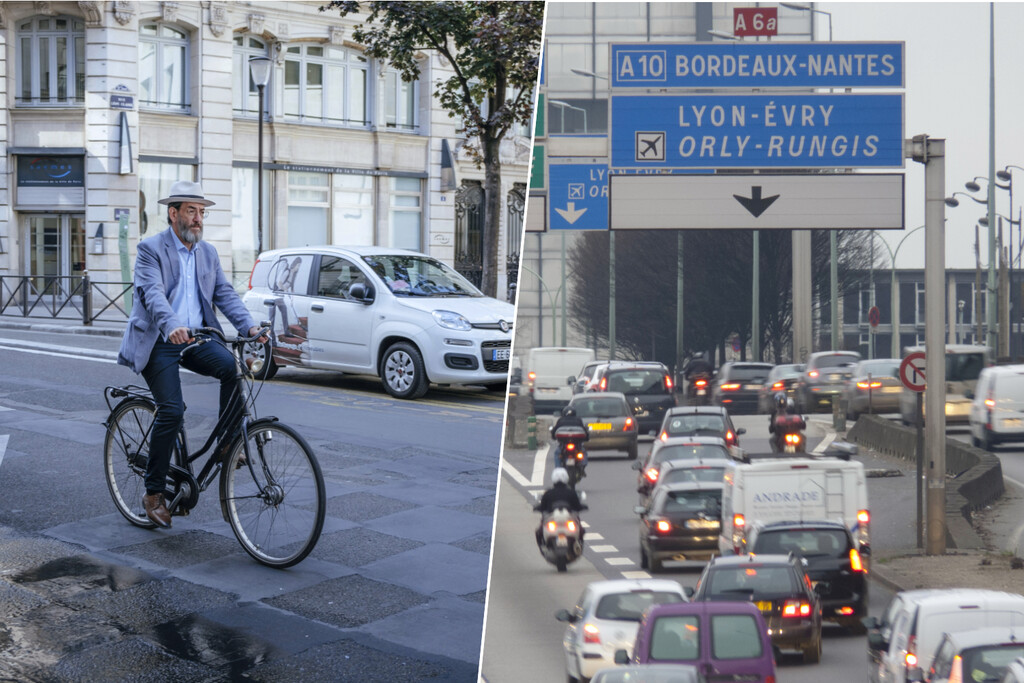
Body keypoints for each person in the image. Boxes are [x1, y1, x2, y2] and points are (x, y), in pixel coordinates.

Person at [117, 180, 267, 529]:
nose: (198, 218)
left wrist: (249, 327)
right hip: (159, 339)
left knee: (232, 368)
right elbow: (152, 294)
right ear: (173, 214)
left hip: (197, 337)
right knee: (171, 409)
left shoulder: (208, 253)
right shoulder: (150, 249)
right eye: (191, 211)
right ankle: (153, 493)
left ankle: (230, 443)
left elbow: (225, 295)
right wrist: (170, 324)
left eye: (202, 212)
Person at [534, 467, 587, 546]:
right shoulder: (571, 493)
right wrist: (583, 507)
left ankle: (543, 546)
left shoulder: (548, 493)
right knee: (581, 530)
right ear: (566, 478)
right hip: (566, 521)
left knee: (539, 531)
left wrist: (537, 508)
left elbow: (542, 507)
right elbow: (577, 506)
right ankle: (579, 545)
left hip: (555, 521)